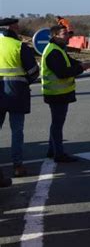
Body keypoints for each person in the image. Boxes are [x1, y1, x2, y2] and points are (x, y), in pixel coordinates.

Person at [41, 25, 90, 162]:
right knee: (57, 124)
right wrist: (81, 67)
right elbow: (62, 73)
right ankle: (58, 154)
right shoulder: (54, 52)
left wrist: (81, 63)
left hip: (59, 93)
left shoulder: (58, 49)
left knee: (56, 123)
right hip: (56, 93)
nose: (68, 36)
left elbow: (69, 61)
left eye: (68, 34)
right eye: (64, 34)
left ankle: (52, 150)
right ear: (55, 36)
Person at [0, 18, 39, 177]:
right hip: (17, 93)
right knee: (17, 130)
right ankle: (17, 166)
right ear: (10, 30)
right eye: (16, 28)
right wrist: (25, 81)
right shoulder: (18, 46)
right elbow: (33, 71)